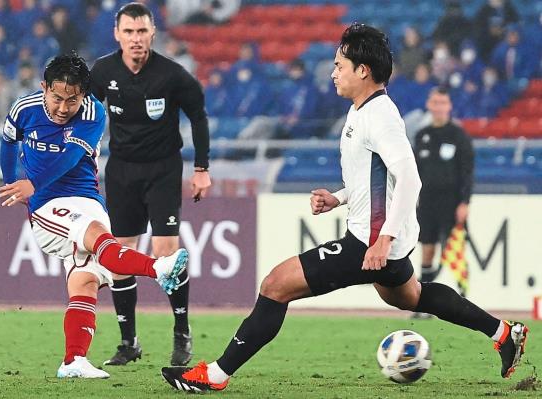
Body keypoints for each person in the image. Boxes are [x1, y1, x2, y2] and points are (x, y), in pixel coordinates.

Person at [160, 23, 529, 393]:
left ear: (362, 70)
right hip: (384, 240)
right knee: (411, 296)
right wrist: (339, 197)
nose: (333, 73)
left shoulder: (380, 118)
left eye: (339, 65)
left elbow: (410, 179)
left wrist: (382, 240)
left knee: (275, 285)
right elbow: (375, 177)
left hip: (370, 243)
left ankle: (215, 376)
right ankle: (503, 333)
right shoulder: (362, 110)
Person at [0, 52, 189, 379]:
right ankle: (158, 267)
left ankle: (73, 361)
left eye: (71, 100)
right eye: (56, 98)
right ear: (44, 87)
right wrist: (14, 184)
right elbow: (7, 142)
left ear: (83, 95)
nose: (62, 107)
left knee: (85, 281)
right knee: (100, 237)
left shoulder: (92, 112)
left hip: (85, 198)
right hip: (46, 202)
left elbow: (71, 157)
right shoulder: (23, 109)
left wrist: (30, 182)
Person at [89, 2, 211, 367]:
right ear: (117, 34)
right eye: (129, 32)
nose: (136, 39)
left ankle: (182, 334)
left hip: (163, 169)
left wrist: (201, 168)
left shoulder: (173, 75)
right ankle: (129, 342)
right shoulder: (103, 71)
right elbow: (87, 113)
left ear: (152, 33)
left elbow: (199, 117)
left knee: (166, 252)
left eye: (142, 31)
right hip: (121, 170)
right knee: (121, 255)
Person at [413, 86, 474, 292]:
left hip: (452, 201)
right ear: (429, 105)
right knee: (427, 248)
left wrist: (464, 202)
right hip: (428, 201)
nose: (438, 107)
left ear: (449, 106)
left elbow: (467, 172)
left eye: (442, 103)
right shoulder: (422, 136)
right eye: (435, 102)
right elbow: (414, 171)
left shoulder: (458, 136)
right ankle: (424, 302)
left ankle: (464, 297)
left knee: (455, 249)